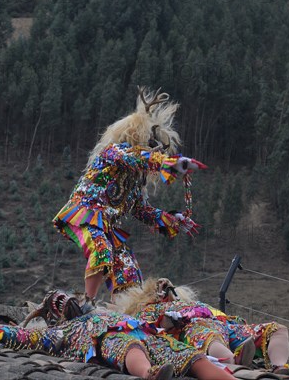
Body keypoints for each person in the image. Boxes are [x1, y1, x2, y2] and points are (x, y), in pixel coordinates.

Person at [53, 87, 206, 307]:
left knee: (127, 268)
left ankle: (124, 310)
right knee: (101, 250)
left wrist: (173, 219)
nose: (156, 151)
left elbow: (142, 210)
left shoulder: (135, 183)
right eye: (152, 146)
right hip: (85, 214)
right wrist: (167, 164)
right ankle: (87, 303)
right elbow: (135, 157)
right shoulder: (113, 153)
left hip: (107, 226)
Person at [0, 308, 236, 380]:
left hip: (149, 336)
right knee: (126, 347)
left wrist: (200, 354)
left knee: (187, 355)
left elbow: (159, 331)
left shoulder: (115, 313)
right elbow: (27, 336)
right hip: (112, 342)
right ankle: (148, 373)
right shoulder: (64, 331)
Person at [116, 278, 289, 376]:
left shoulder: (195, 303)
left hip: (225, 326)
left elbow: (222, 317)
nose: (165, 285)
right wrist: (171, 321)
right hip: (194, 329)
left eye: (168, 285)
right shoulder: (147, 310)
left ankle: (279, 366)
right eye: (160, 286)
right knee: (207, 333)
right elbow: (151, 330)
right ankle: (233, 360)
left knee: (276, 329)